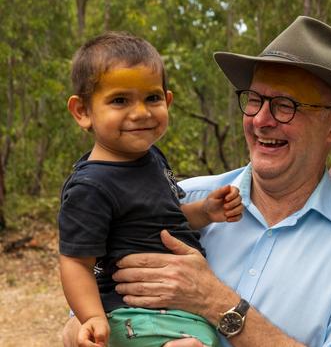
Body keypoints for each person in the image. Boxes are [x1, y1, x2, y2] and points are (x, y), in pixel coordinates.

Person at [62, 16, 331, 347]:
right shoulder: (185, 198)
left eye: (285, 106)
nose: (261, 119)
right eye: (254, 100)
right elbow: (84, 312)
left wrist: (215, 301)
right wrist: (81, 328)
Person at [59, 31, 243, 347]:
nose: (141, 112)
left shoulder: (151, 158)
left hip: (181, 312)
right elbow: (76, 262)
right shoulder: (91, 186)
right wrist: (91, 317)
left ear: (167, 100)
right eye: (119, 100)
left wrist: (205, 212)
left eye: (152, 98)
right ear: (83, 112)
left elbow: (164, 218)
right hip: (132, 312)